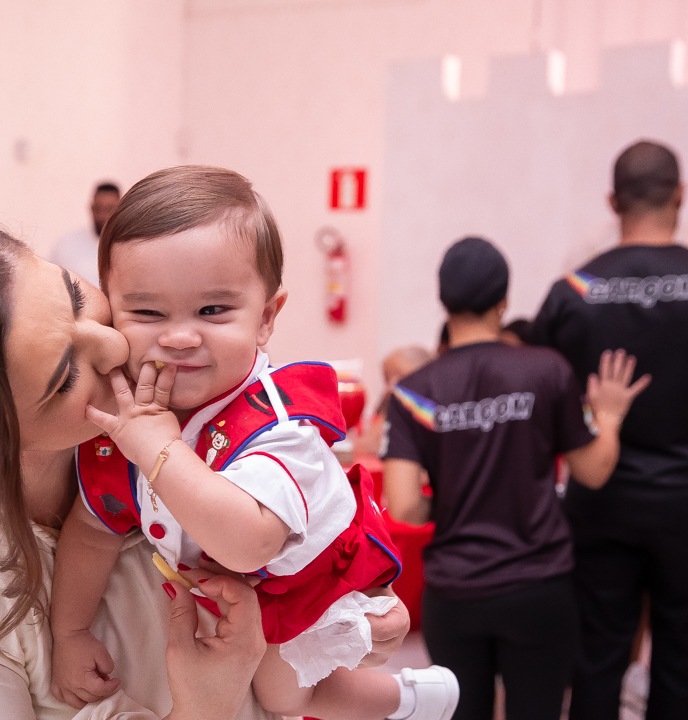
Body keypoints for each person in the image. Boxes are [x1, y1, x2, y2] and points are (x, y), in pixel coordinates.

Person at [0, 220, 411, 720]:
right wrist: (203, 710)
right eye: (65, 377)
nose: (115, 345)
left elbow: (307, 525)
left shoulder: (186, 411)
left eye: (75, 294)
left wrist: (352, 610)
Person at [50, 166, 457, 720]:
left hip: (304, 577)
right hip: (238, 586)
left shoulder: (277, 422)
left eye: (213, 311)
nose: (179, 337)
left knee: (285, 698)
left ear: (266, 318)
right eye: (146, 312)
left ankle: (410, 699)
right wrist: (71, 632)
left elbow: (249, 543)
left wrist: (157, 449)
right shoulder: (126, 413)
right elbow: (93, 527)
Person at [382, 236, 649, 720]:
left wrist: (453, 497)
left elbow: (403, 508)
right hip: (539, 590)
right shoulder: (547, 371)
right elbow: (593, 472)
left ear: (443, 301)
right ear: (503, 302)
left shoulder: (413, 392)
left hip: (454, 593)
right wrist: (609, 417)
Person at [532, 139, 688, 720]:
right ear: (680, 196)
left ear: (613, 202)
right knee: (681, 656)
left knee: (597, 655)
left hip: (600, 500)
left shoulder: (571, 294)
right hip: (685, 505)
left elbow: (540, 397)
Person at [50, 182, 121, 287]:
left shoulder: (130, 247)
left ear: (120, 211)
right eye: (98, 209)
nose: (102, 216)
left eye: (108, 210)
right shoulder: (67, 244)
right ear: (91, 209)